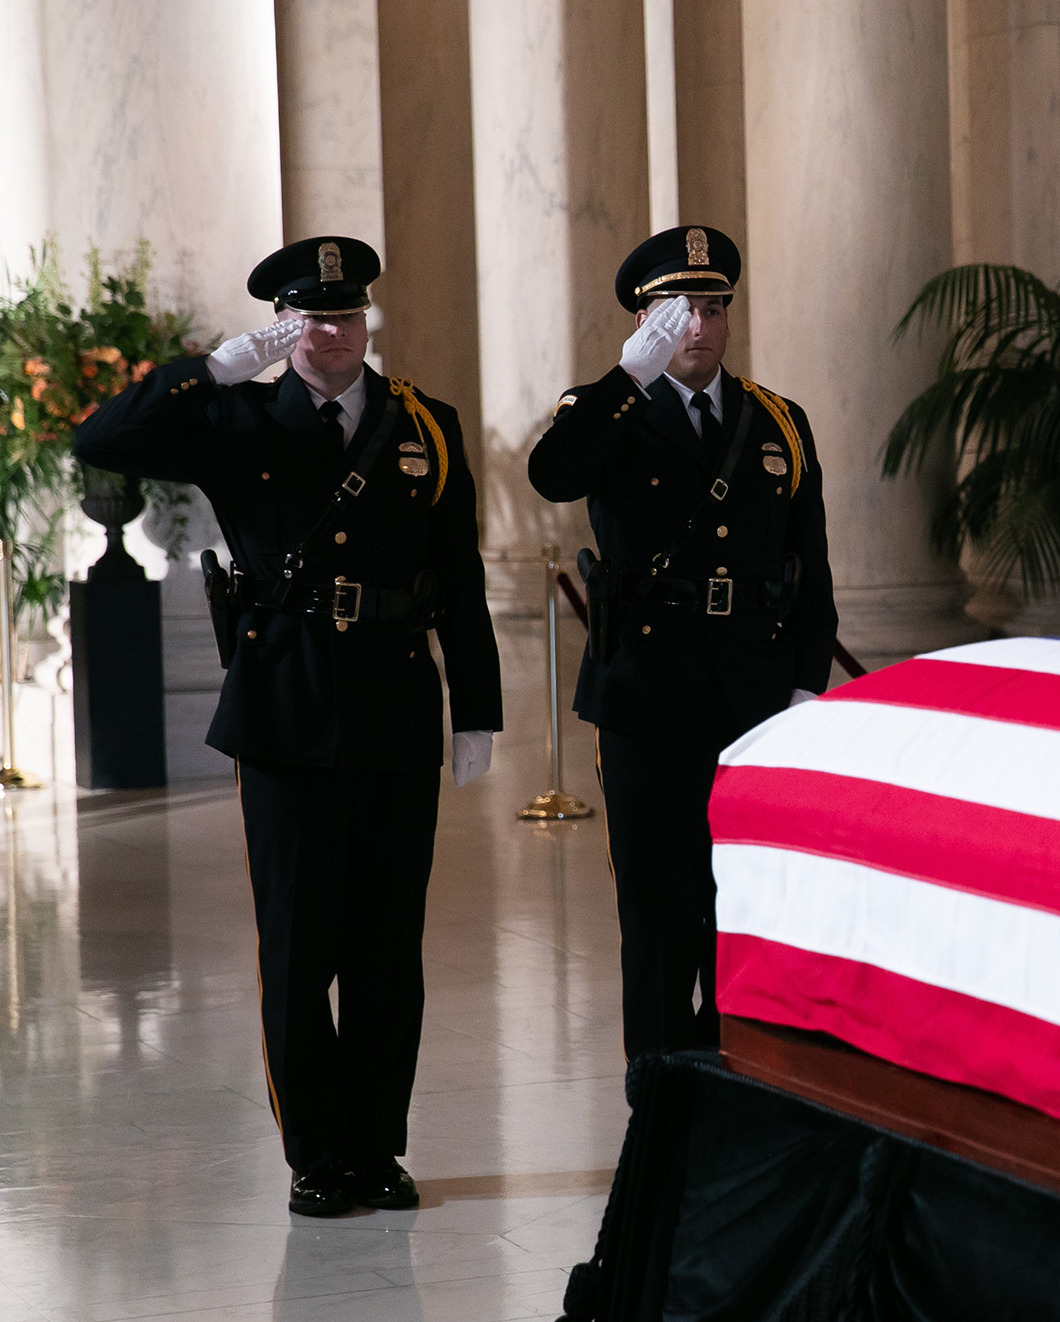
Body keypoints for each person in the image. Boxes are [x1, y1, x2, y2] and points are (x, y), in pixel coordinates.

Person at [73, 236, 502, 1217]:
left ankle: (378, 1145)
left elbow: (460, 575)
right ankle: (318, 1152)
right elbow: (101, 440)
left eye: (348, 315)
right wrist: (212, 368)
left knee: (388, 946)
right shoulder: (236, 419)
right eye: (314, 319)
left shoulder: (422, 426)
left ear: (366, 321)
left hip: (397, 706)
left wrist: (475, 706)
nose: (335, 333)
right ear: (287, 328)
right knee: (302, 944)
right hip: (284, 708)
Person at [529, 226, 837, 1058]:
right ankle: (658, 1090)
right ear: (643, 321)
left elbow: (810, 568)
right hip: (647, 697)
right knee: (660, 911)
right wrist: (629, 372)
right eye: (678, 310)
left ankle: (732, 1080)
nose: (698, 326)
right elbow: (554, 474)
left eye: (712, 306)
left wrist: (808, 687)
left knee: (741, 904)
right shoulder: (605, 413)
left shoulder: (777, 420)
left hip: (754, 694)